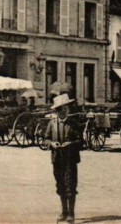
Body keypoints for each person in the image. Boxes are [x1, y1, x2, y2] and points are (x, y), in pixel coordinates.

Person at [46, 93, 82, 224]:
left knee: (70, 186)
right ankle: (64, 212)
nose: (65, 110)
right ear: (57, 111)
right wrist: (51, 143)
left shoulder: (74, 124)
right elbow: (45, 138)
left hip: (70, 160)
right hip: (57, 159)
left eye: (66, 107)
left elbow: (81, 141)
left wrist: (70, 144)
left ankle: (71, 214)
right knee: (60, 185)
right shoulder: (51, 124)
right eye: (62, 108)